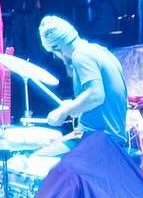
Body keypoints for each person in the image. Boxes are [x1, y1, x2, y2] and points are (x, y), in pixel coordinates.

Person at [35, 15, 128, 156]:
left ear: (56, 48)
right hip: (107, 136)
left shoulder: (81, 55)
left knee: (38, 158)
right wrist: (75, 105)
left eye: (54, 53)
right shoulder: (100, 51)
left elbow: (96, 95)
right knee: (53, 144)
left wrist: (63, 111)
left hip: (100, 139)